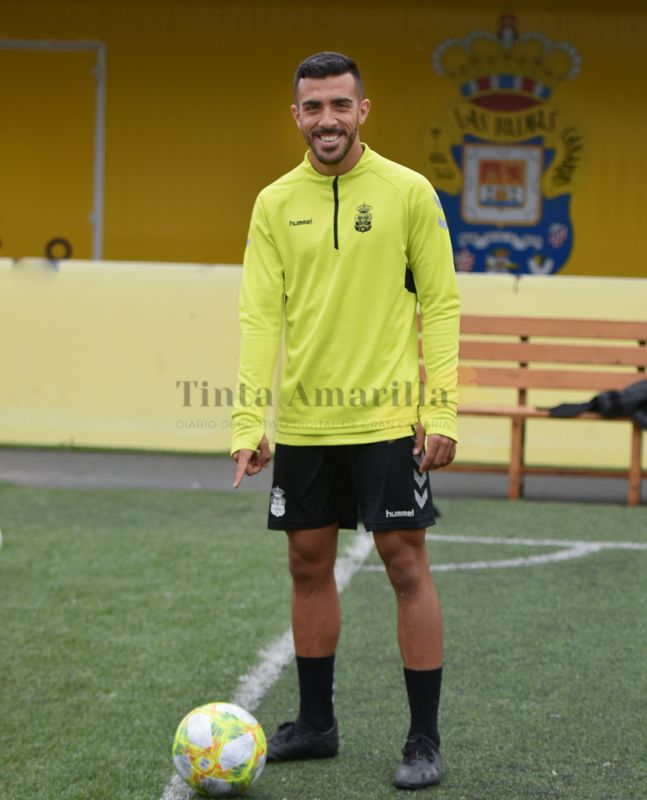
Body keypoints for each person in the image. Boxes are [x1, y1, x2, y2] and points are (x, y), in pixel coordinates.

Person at [231, 51, 459, 790]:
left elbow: (441, 304)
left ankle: (422, 739)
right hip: (304, 423)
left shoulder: (407, 192)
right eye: (311, 107)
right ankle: (317, 724)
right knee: (305, 564)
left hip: (390, 418)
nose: (325, 119)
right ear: (294, 115)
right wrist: (246, 421)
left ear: (364, 109)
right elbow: (259, 315)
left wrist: (441, 408)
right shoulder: (273, 203)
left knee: (403, 563)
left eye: (338, 105)